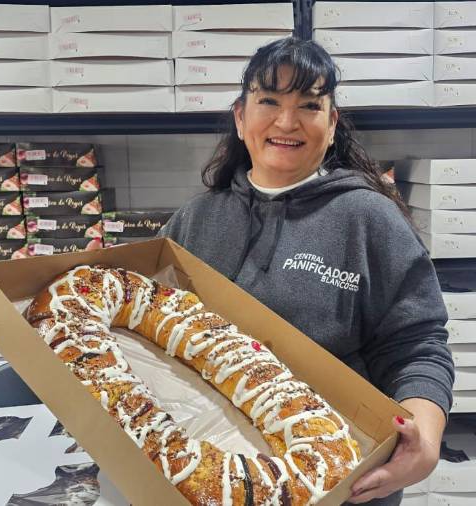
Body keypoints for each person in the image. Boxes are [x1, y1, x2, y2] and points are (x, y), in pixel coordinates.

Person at [158, 37, 454, 505]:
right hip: (212, 469)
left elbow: (417, 345)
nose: (286, 121)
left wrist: (426, 435)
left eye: (309, 105)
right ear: (240, 116)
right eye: (269, 101)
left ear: (332, 123)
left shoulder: (369, 218)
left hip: (334, 478)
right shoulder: (195, 219)